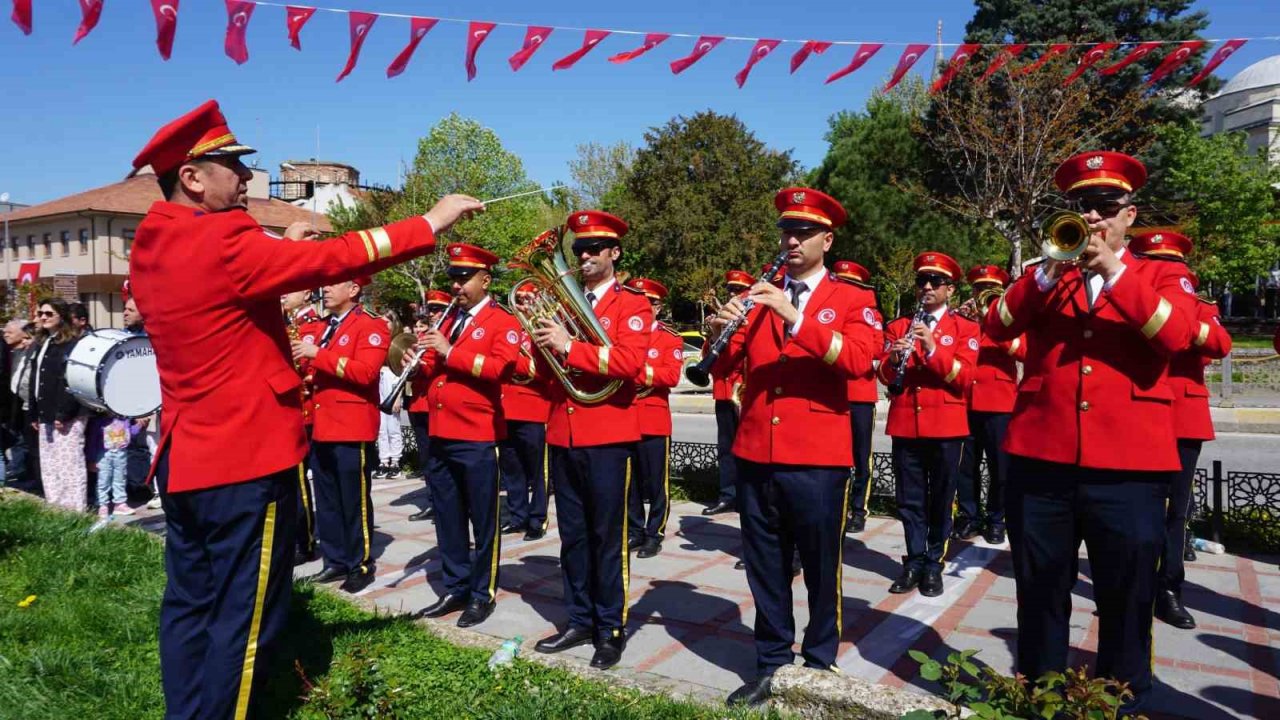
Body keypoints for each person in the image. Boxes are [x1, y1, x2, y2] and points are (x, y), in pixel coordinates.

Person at [128, 99, 481, 720]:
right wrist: (430, 221)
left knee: (189, 605)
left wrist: (277, 248)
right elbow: (332, 259)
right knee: (245, 616)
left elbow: (229, 301)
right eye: (231, 166)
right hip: (244, 459)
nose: (244, 178)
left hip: (188, 457)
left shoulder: (156, 242)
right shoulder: (224, 237)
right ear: (192, 177)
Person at [982, 151, 1196, 712]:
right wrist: (1048, 271)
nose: (1094, 219)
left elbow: (1174, 337)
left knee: (1126, 598)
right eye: (1083, 207)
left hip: (1128, 466)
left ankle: (1121, 703)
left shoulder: (1162, 274)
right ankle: (1041, 698)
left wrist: (1113, 272)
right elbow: (995, 325)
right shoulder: (1046, 276)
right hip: (1041, 459)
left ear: (1130, 215)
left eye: (1106, 207)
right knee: (1040, 592)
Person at [710, 188, 878, 707]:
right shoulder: (761, 298)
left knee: (821, 566)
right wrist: (721, 332)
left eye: (804, 232)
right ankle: (772, 663)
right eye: (787, 230)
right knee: (766, 564)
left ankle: (820, 659)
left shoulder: (853, 299)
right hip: (758, 451)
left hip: (818, 457)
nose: (792, 240)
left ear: (827, 240)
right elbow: (725, 368)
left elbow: (858, 362)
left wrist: (793, 315)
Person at [529, 213, 652, 670]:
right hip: (563, 431)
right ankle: (579, 620)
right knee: (573, 537)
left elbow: (629, 363)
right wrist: (540, 346)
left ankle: (611, 628)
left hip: (608, 436)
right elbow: (546, 377)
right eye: (579, 248)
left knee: (607, 538)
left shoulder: (632, 306)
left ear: (614, 252)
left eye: (594, 248)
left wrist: (567, 346)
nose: (583, 256)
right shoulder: (561, 306)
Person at [1129, 230, 1232, 630]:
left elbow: (1222, 343)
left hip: (1182, 418)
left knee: (1175, 510)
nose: (1167, 274)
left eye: (1172, 268)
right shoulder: (1134, 298)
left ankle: (1168, 588)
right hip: (1139, 410)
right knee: (1134, 508)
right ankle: (1132, 585)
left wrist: (1186, 325)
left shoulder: (1199, 306)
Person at [414, 244, 519, 628]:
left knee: (482, 518)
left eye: (464, 278)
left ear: (485, 280)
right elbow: (432, 366)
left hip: (476, 434)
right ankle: (455, 586)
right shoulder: (448, 320)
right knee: (448, 516)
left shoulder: (501, 321)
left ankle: (481, 593)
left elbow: (499, 369)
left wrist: (448, 351)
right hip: (441, 432)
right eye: (453, 278)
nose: (456, 285)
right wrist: (417, 360)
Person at [877, 253, 977, 597]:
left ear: (950, 289)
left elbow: (965, 380)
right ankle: (914, 560)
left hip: (947, 426)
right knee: (909, 500)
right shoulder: (896, 326)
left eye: (936, 282)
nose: (928, 288)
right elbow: (884, 376)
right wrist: (893, 358)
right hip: (906, 423)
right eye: (922, 281)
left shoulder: (965, 329)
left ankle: (934, 563)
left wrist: (933, 349)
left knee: (940, 499)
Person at [295, 277, 389, 594]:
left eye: (335, 284)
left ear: (353, 290)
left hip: (351, 426)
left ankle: (360, 564)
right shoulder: (322, 326)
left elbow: (365, 372)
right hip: (321, 424)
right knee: (328, 499)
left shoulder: (370, 325)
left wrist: (316, 354)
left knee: (354, 499)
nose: (326, 288)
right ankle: (334, 560)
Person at [953, 265, 1023, 546]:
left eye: (990, 290)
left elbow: (1025, 350)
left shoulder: (1012, 320)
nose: (984, 294)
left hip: (999, 402)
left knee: (1001, 468)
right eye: (979, 289)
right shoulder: (962, 319)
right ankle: (969, 516)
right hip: (966, 400)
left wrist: (992, 324)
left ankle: (997, 519)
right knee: (966, 467)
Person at [624, 277, 684, 559]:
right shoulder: (623, 334)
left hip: (653, 420)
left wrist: (636, 370)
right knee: (630, 483)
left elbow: (670, 376)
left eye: (650, 303)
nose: (644, 306)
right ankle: (635, 530)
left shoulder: (669, 338)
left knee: (656, 483)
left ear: (658, 308)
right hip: (625, 417)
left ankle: (654, 533)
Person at [831, 260, 884, 533]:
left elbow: (874, 350)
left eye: (848, 283)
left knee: (860, 456)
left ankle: (858, 508)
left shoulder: (869, 314)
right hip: (833, 392)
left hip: (860, 393)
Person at [499, 288, 551, 541]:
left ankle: (537, 519)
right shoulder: (508, 328)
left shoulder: (545, 328)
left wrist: (510, 362)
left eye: (528, 300)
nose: (521, 305)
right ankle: (517, 515)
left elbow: (546, 371)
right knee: (512, 467)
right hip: (506, 407)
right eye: (518, 301)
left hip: (534, 408)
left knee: (537, 470)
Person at [27, 298, 88, 512]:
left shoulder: (70, 344)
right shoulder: (45, 342)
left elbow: (71, 380)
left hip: (66, 415)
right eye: (41, 313)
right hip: (46, 413)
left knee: (70, 465)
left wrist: (64, 413)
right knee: (50, 465)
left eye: (48, 313)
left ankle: (75, 511)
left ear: (61, 316)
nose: (43, 317)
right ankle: (56, 508)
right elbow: (37, 379)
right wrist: (34, 413)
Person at [702, 270, 752, 516]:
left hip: (742, 392)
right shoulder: (722, 320)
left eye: (738, 291)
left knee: (746, 448)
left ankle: (746, 496)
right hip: (723, 392)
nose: (733, 294)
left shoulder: (749, 322)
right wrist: (715, 333)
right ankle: (727, 495)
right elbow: (709, 362)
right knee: (725, 448)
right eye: (731, 290)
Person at [283, 288, 325, 563]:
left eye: (291, 289)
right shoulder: (284, 323)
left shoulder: (317, 326)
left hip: (308, 412)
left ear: (308, 294)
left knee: (302, 484)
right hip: (286, 412)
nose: (284, 295)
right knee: (289, 484)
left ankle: (305, 541)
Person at [405, 293, 451, 518]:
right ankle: (433, 501)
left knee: (439, 460)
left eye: (436, 310)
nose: (432, 314)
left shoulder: (445, 336)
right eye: (429, 310)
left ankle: (444, 503)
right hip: (418, 404)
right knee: (427, 459)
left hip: (437, 405)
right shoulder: (422, 338)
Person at [89, 415, 141, 531]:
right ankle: (102, 505)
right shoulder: (100, 421)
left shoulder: (125, 419)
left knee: (120, 478)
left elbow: (130, 433)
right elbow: (92, 440)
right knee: (103, 480)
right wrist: (92, 459)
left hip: (121, 453)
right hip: (104, 454)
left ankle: (120, 503)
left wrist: (139, 426)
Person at [2, 319, 33, 493]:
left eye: (10, 331)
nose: (5, 334)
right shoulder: (11, 352)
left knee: (23, 442)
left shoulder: (25, 353)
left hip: (23, 406)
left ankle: (24, 472)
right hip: (12, 407)